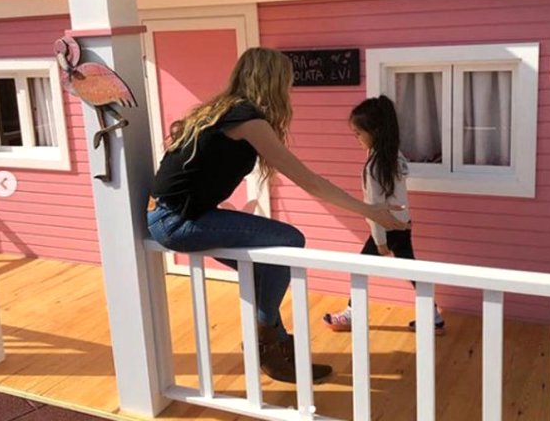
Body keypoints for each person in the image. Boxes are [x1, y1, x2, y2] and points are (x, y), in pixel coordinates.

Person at [147, 47, 407, 384]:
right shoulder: (247, 120)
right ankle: (266, 344)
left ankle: (279, 348)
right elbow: (309, 181)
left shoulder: (220, 112)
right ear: (272, 81)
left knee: (265, 269)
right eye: (287, 82)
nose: (289, 89)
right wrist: (369, 211)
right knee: (289, 240)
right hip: (178, 222)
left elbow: (186, 174)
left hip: (171, 216)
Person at [322, 95, 445, 335]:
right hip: (402, 224)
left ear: (375, 131)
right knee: (411, 270)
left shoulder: (375, 166)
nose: (357, 139)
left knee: (360, 269)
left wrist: (379, 241)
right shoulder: (394, 157)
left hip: (386, 228)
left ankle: (352, 314)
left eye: (358, 133)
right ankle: (434, 317)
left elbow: (374, 207)